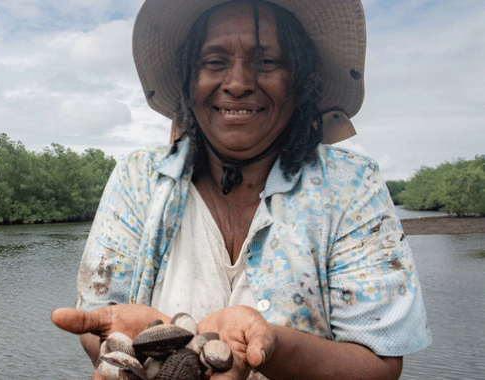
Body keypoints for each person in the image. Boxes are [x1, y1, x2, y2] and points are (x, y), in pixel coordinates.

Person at [51, 0, 431, 379]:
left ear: (300, 79)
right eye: (214, 62)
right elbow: (99, 320)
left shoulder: (350, 185)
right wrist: (122, 348)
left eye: (267, 62)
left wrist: (274, 346)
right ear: (189, 79)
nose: (237, 84)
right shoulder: (137, 178)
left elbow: (380, 364)